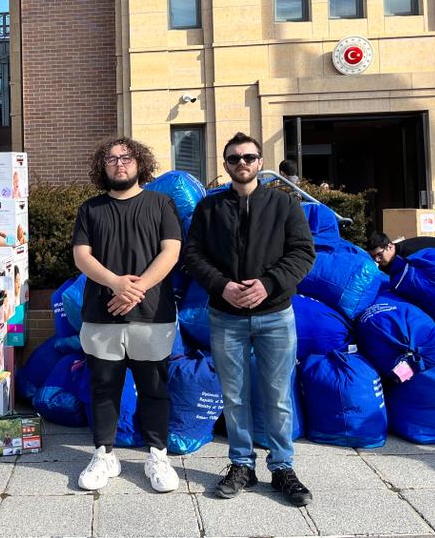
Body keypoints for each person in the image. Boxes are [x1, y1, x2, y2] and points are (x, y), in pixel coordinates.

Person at [183, 132, 316, 506]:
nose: (242, 163)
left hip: (275, 315)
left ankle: (283, 467)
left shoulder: (283, 205)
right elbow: (193, 255)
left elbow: (303, 253)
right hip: (226, 317)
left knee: (277, 396)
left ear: (260, 162)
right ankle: (242, 464)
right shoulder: (209, 209)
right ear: (225, 165)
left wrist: (269, 284)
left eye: (249, 157)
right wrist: (221, 286)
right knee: (234, 395)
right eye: (234, 158)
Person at [72, 136, 182, 493]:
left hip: (153, 315)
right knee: (104, 388)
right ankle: (104, 454)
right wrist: (117, 283)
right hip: (101, 314)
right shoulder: (91, 209)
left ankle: (157, 455)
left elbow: (171, 252)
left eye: (126, 157)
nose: (119, 164)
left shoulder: (161, 203)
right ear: (102, 168)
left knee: (154, 389)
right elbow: (82, 257)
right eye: (111, 159)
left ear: (140, 163)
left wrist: (136, 289)